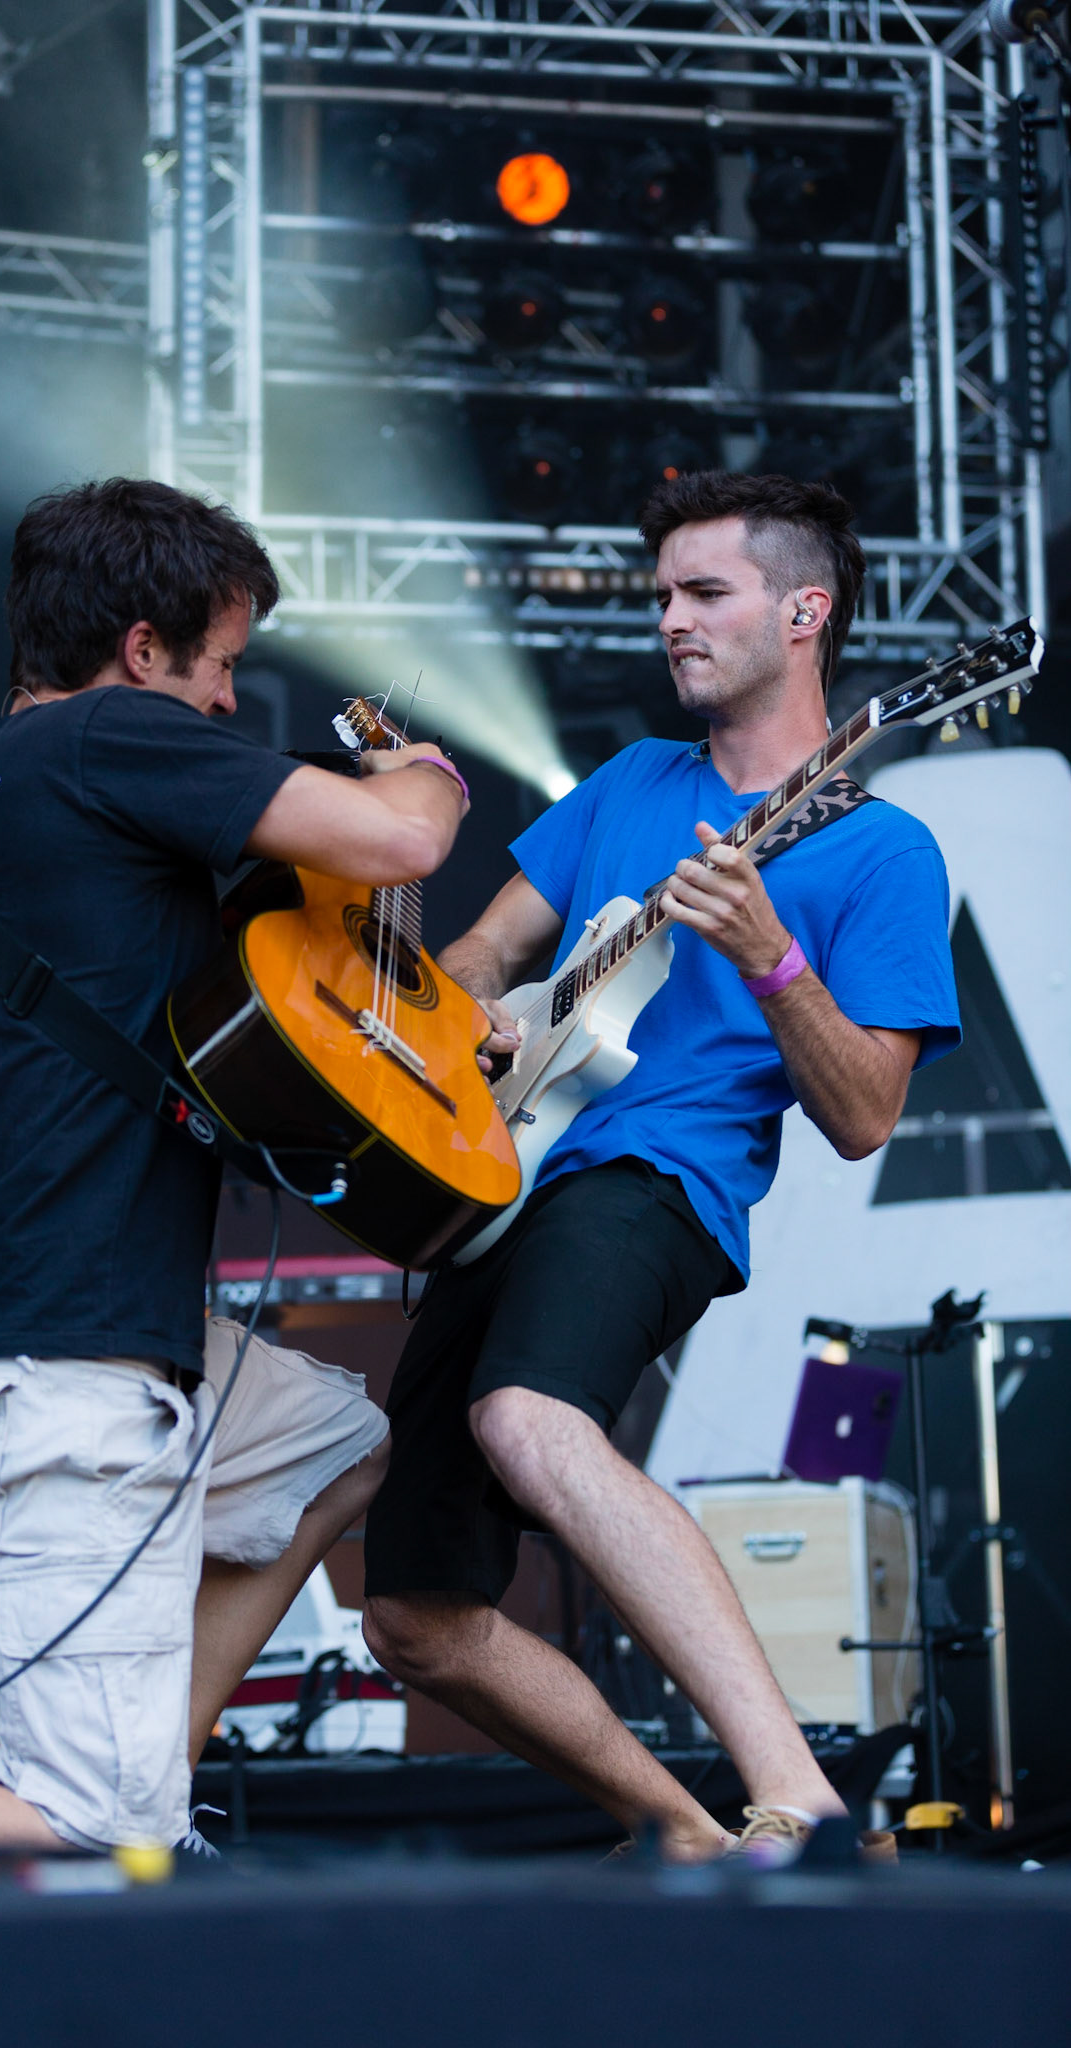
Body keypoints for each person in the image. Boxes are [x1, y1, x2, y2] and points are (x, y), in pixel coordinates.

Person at [0, 478, 468, 1877]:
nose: (230, 704)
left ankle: (147, 1807)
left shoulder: (21, 800)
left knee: (334, 1445)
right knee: (65, 1824)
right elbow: (405, 842)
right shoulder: (106, 741)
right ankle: (106, 1822)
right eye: (223, 664)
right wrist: (427, 774)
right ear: (139, 649)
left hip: (84, 1341)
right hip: (56, 1369)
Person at [361, 470, 962, 1864]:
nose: (670, 622)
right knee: (417, 1623)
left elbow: (865, 1113)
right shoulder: (632, 782)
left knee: (526, 1419)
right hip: (502, 1179)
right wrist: (479, 1030)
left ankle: (802, 1799)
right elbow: (473, 960)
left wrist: (770, 958)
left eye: (704, 595)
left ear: (803, 612)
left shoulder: (881, 851)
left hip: (656, 1180)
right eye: (661, 599)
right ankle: (691, 1838)